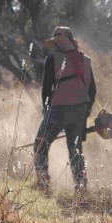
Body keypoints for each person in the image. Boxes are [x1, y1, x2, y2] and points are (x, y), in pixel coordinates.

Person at [33, 26, 96, 194]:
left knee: (40, 144)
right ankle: (81, 187)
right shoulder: (86, 59)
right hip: (79, 110)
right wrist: (86, 112)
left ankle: (43, 183)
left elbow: (47, 88)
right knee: (76, 150)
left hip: (57, 109)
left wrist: (46, 109)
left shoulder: (52, 59)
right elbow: (92, 90)